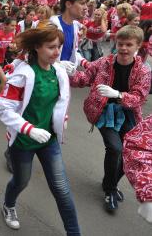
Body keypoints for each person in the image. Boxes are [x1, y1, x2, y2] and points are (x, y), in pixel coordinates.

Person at [0, 25, 80, 235]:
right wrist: (29, 129)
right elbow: (3, 109)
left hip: (49, 140)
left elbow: (59, 103)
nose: (57, 51)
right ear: (36, 47)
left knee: (61, 189)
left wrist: (63, 119)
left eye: (59, 46)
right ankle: (8, 204)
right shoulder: (22, 75)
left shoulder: (59, 72)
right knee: (21, 181)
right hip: (24, 142)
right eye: (51, 47)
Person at [61, 25, 151, 212]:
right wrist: (66, 73)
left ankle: (109, 182)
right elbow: (83, 79)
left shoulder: (143, 71)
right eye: (120, 44)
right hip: (103, 111)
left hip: (128, 113)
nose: (124, 48)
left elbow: (139, 97)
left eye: (129, 44)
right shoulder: (104, 62)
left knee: (130, 154)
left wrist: (118, 94)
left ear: (137, 46)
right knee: (115, 148)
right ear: (115, 43)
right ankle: (110, 190)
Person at [123, 114, 152, 223]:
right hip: (114, 115)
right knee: (114, 149)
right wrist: (149, 191)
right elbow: (138, 147)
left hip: (132, 115)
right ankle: (110, 188)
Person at [50, 0, 89, 67]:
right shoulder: (52, 26)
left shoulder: (75, 25)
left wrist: (85, 63)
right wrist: (60, 65)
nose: (86, 8)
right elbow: (43, 57)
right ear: (68, 4)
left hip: (65, 76)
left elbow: (73, 53)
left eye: (86, 4)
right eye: (82, 3)